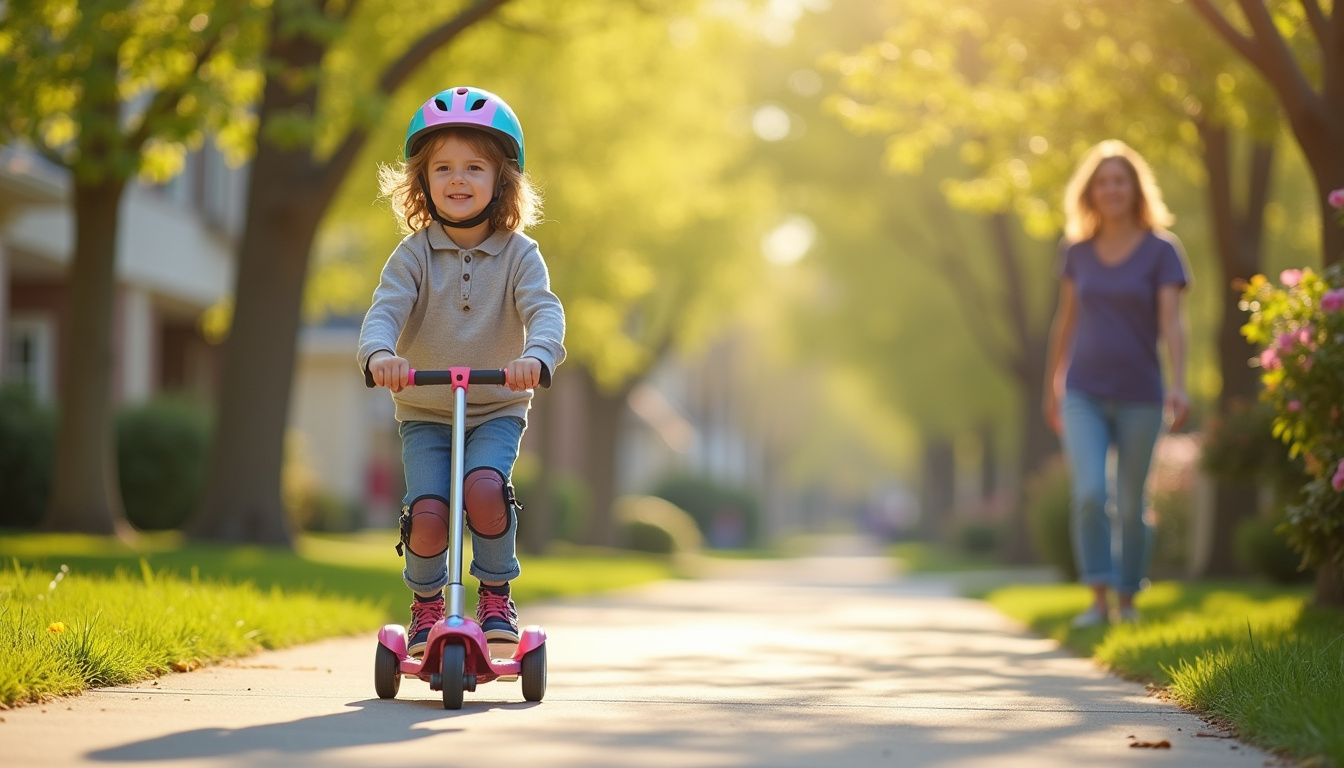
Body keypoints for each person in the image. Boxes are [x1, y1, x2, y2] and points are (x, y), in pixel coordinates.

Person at [358, 86, 565, 655]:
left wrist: (536, 357)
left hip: (496, 407)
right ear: (422, 181)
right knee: (428, 514)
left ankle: (495, 594)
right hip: (425, 412)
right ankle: (426, 606)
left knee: (484, 489)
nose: (458, 179)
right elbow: (385, 311)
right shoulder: (413, 254)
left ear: (502, 180)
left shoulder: (521, 253)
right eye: (443, 167)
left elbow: (544, 309)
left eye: (475, 167)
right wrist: (380, 356)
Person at [1042, 139, 1190, 627]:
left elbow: (1172, 322)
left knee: (1130, 505)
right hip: (1083, 390)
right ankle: (1097, 600)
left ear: (1135, 188)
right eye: (1102, 182)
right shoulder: (1076, 252)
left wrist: (1180, 383)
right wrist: (1053, 386)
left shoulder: (1161, 251)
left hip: (1141, 394)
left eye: (1119, 181)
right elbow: (1064, 322)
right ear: (1091, 192)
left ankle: (1128, 602)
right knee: (1088, 494)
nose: (1111, 190)